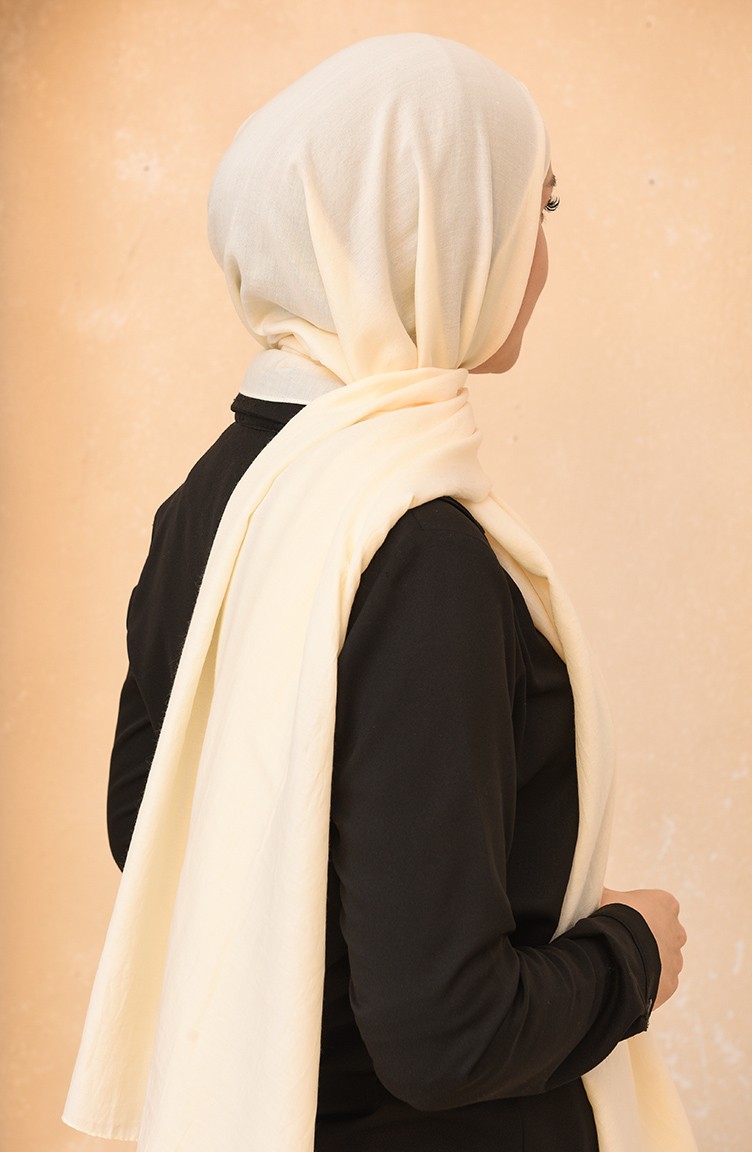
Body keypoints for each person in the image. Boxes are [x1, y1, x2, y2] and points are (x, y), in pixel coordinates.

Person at [64, 33, 695, 1152]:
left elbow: (148, 832)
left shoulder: (215, 499)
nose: (538, 259)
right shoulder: (415, 549)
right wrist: (631, 955)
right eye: (534, 208)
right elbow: (447, 1035)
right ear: (432, 227)